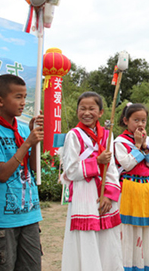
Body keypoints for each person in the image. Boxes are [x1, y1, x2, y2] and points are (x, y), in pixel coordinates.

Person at [0, 74, 44, 270]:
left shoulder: (25, 130)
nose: (23, 103)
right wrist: (27, 143)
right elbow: (1, 174)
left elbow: (34, 169)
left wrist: (35, 141)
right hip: (3, 218)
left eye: (25, 97)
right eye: (18, 97)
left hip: (30, 214)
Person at [61, 91, 123, 271]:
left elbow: (111, 167)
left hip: (103, 196)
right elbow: (71, 170)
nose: (87, 113)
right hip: (84, 193)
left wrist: (109, 196)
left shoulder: (107, 135)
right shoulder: (73, 135)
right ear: (77, 111)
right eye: (82, 108)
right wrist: (96, 162)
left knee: (107, 240)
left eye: (92, 109)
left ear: (101, 112)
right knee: (86, 238)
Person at [114, 103, 149, 271]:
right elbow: (126, 164)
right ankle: (127, 266)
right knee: (128, 231)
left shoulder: (148, 141)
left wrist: (145, 147)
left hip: (146, 189)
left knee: (146, 229)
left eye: (143, 120)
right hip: (128, 190)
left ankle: (146, 265)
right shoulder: (120, 142)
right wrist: (138, 147)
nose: (140, 124)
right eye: (136, 120)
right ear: (126, 121)